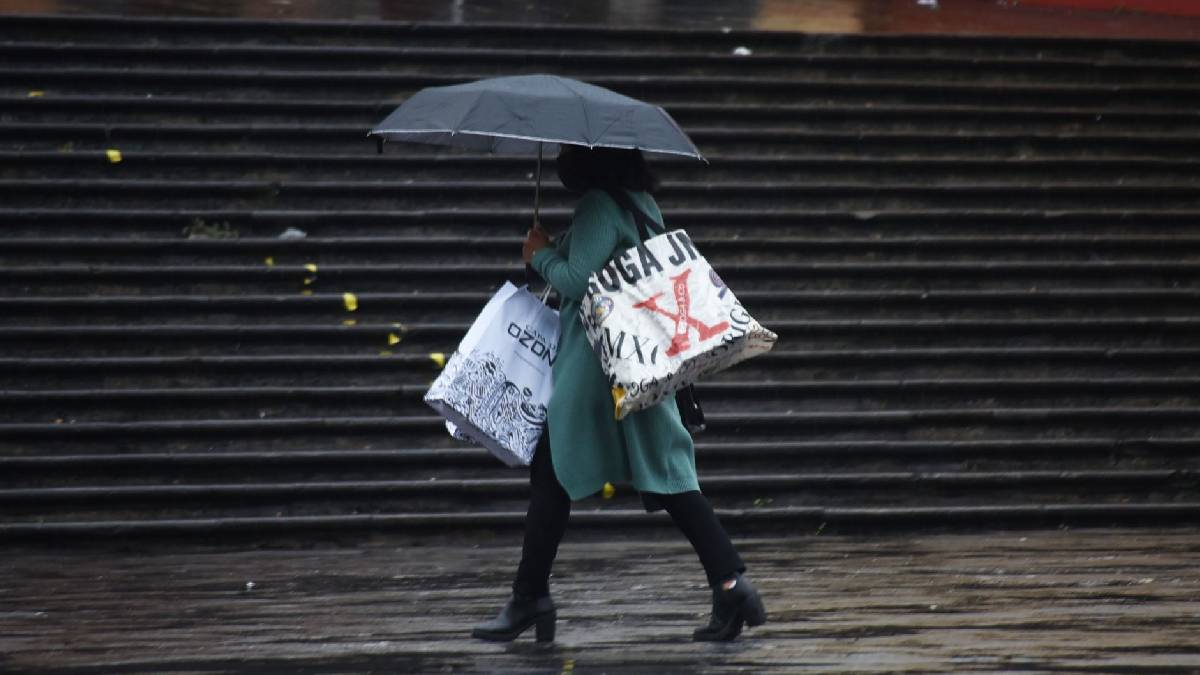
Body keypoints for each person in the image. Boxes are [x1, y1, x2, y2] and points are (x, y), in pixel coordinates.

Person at [471, 145, 767, 644]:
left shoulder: (598, 207)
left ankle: (529, 598)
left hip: (597, 369)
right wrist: (547, 250)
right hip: (639, 364)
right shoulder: (636, 203)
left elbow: (578, 279)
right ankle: (732, 584)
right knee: (671, 478)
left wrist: (539, 255)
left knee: (553, 470)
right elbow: (589, 264)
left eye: (569, 151)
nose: (563, 158)